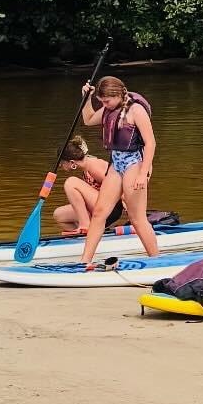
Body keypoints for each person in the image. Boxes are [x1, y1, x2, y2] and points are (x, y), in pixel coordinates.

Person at [77, 75, 158, 266]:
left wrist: (143, 172)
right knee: (99, 213)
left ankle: (157, 260)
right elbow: (88, 119)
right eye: (101, 101)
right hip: (116, 164)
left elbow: (151, 142)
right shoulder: (108, 109)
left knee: (137, 219)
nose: (104, 104)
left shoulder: (135, 110)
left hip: (134, 163)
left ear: (118, 94)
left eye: (106, 101)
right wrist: (86, 99)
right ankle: (84, 261)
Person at [52, 135, 123, 236]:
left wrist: (133, 215)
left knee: (71, 182)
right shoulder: (86, 167)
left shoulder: (93, 166)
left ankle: (85, 225)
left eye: (62, 162)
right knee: (59, 215)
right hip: (100, 206)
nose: (60, 165)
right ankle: (85, 238)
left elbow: (119, 186)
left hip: (111, 209)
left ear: (72, 162)